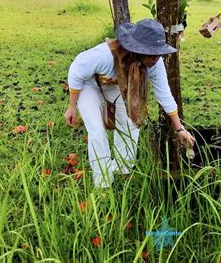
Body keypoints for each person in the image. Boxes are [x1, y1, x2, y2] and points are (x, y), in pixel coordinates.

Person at [65, 19, 195, 188]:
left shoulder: (155, 63)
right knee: (97, 130)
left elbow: (164, 94)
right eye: (151, 53)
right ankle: (103, 182)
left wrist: (180, 129)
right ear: (137, 48)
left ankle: (122, 170)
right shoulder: (104, 55)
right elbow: (76, 72)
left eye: (158, 53)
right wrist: (72, 106)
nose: (156, 57)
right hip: (88, 84)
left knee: (131, 122)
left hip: (116, 84)